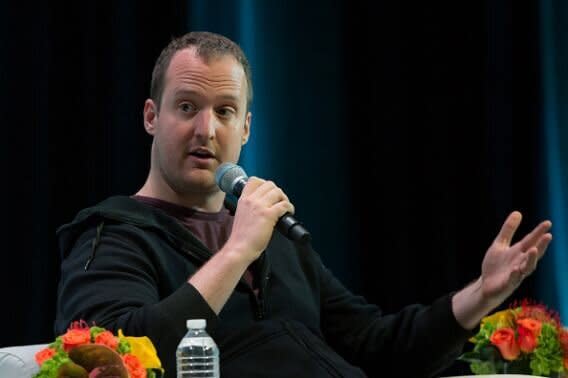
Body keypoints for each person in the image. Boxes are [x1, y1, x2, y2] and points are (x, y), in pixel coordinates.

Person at [54, 31, 552, 378]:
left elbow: (379, 348)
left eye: (225, 112)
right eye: (187, 107)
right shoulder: (113, 234)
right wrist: (236, 253)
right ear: (150, 117)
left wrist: (483, 293)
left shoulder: (274, 236)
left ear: (246, 128)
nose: (206, 129)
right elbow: (117, 357)